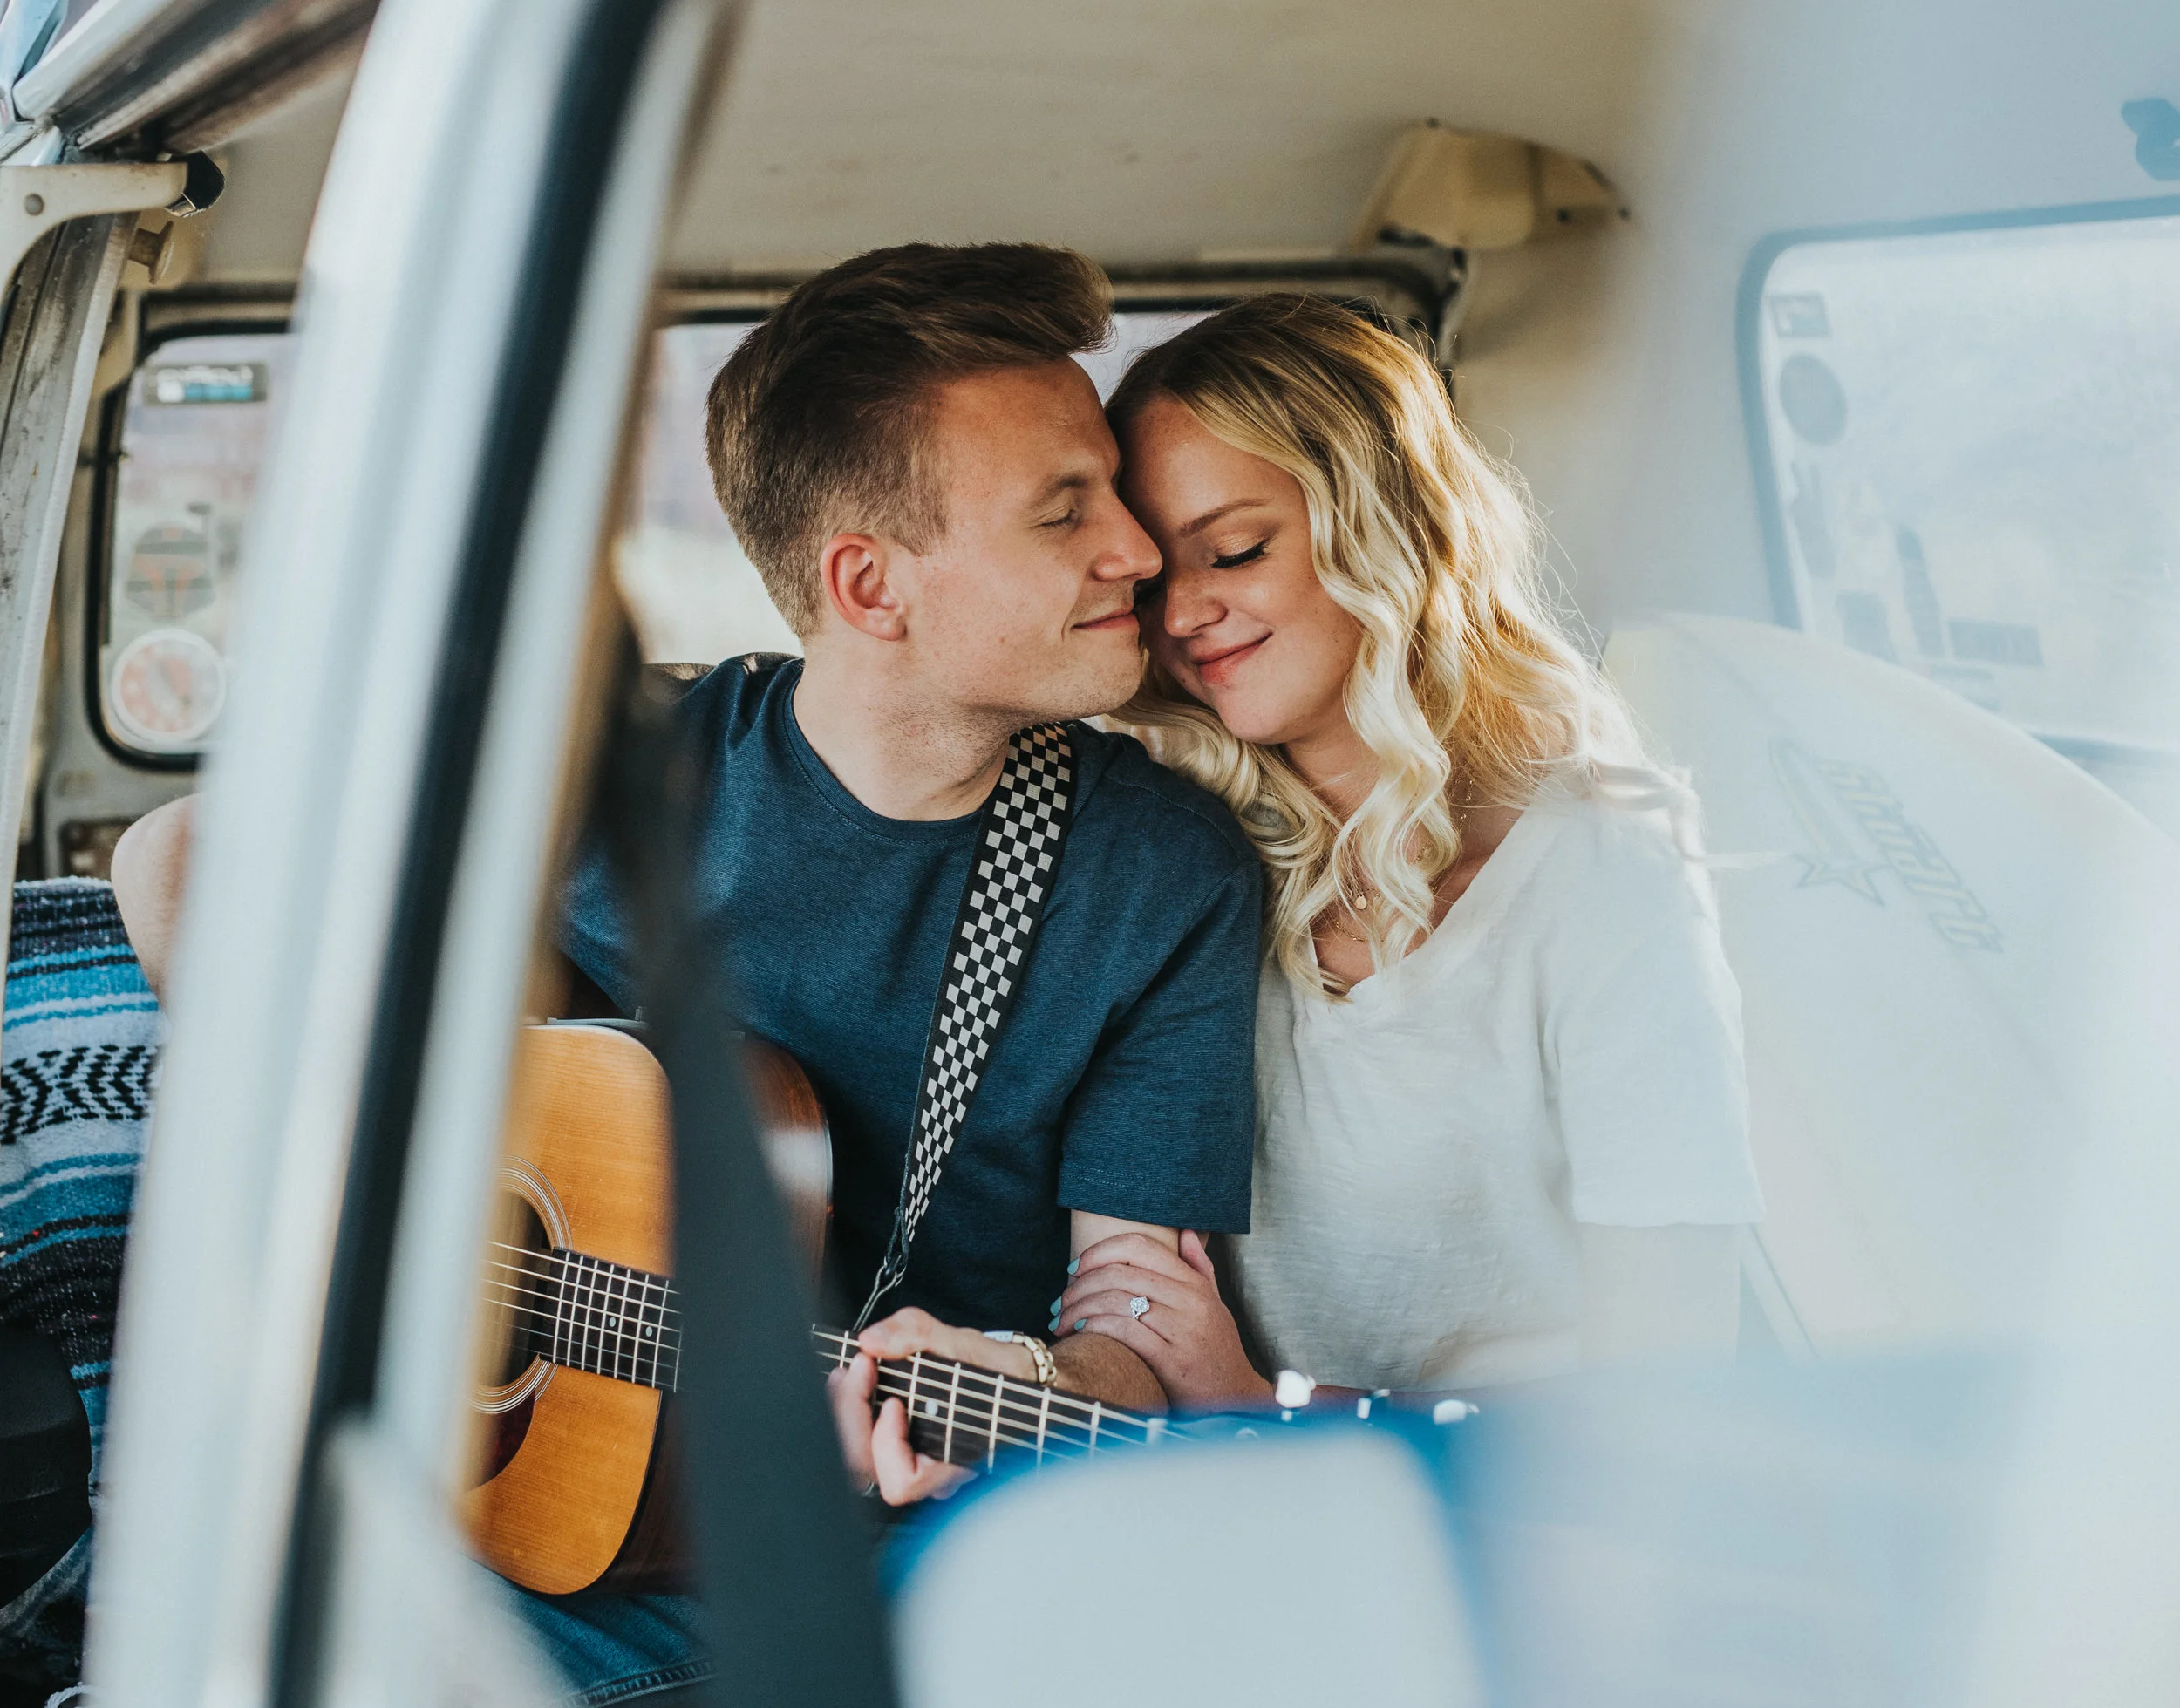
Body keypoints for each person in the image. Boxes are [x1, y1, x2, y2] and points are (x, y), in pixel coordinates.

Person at [114, 248, 1264, 1514]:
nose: (1138, 550)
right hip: (540, 1492)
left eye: (1113, 493)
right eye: (1064, 513)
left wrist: (1040, 1379)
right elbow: (178, 859)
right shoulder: (606, 768)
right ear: (869, 584)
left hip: (911, 1512)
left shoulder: (1160, 876)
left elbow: (1139, 1324)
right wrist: (381, 1212)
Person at [1057, 295, 1761, 1401]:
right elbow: (1120, 1305)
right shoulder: (1170, 854)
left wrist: (1267, 1410)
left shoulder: (1603, 872)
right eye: (1153, 580)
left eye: (1234, 550)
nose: (1182, 613)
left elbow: (1667, 1401)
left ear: (1385, 523)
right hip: (1199, 1478)